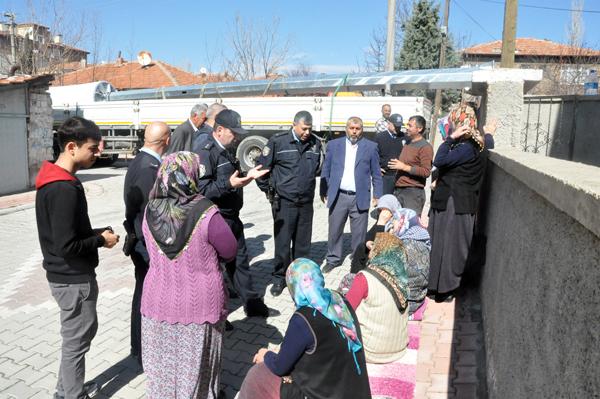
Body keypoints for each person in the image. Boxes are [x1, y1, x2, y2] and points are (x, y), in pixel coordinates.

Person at [35, 116, 119, 399]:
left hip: (67, 276)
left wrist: (94, 232)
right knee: (76, 341)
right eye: (93, 149)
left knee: (77, 337)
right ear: (72, 147)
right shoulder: (63, 188)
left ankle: (66, 388)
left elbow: (66, 232)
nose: (98, 154)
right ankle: (72, 395)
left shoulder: (55, 179)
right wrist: (100, 241)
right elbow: (67, 245)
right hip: (72, 279)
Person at [140, 152, 237, 398]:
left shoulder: (150, 209)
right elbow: (230, 250)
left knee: (162, 365)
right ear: (190, 176)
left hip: (158, 302)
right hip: (199, 305)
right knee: (197, 367)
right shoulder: (205, 211)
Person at [238, 258, 371, 399]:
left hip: (325, 392)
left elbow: (280, 366)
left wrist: (266, 355)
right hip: (355, 388)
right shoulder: (339, 300)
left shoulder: (303, 319)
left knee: (257, 374)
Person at [197, 109, 271, 317]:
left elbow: (233, 177)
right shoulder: (206, 152)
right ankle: (218, 314)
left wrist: (249, 175)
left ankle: (252, 303)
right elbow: (202, 190)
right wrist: (228, 184)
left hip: (232, 217)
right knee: (215, 269)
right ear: (219, 130)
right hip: (216, 219)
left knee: (240, 261)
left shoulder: (228, 148)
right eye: (233, 132)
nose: (237, 136)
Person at [428, 104, 496, 302]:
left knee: (446, 246)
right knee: (449, 245)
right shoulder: (479, 145)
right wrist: (489, 133)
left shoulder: (465, 148)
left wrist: (451, 138)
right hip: (458, 204)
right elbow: (488, 146)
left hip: (452, 203)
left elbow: (439, 161)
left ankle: (443, 288)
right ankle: (440, 287)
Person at [256, 111, 322, 297]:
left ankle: (300, 278)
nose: (307, 132)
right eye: (304, 128)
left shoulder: (315, 143)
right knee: (283, 243)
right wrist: (270, 191)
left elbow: (316, 169)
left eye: (309, 128)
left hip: (305, 202)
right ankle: (280, 277)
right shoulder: (278, 142)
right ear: (294, 125)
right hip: (284, 202)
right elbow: (261, 170)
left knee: (303, 244)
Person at [123, 121, 171, 364]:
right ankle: (142, 349)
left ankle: (140, 347)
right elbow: (152, 211)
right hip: (145, 244)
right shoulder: (147, 168)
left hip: (142, 241)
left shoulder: (145, 161)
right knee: (145, 296)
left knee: (144, 293)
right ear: (167, 140)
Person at [345, 195, 431, 316]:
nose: (393, 226)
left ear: (402, 222)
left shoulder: (400, 246)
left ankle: (347, 313)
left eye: (395, 221)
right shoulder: (420, 239)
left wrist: (380, 223)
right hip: (416, 298)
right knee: (362, 250)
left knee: (350, 280)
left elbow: (374, 264)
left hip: (400, 304)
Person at [320, 116, 382, 273]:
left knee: (359, 233)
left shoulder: (371, 147)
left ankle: (357, 261)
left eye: (358, 129)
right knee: (334, 230)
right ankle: (333, 259)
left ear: (362, 130)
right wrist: (323, 190)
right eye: (352, 128)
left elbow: (376, 173)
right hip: (338, 196)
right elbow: (325, 169)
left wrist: (378, 194)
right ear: (346, 128)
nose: (354, 132)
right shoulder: (334, 145)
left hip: (359, 196)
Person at [345, 233, 409, 363]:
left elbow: (346, 310)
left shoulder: (364, 278)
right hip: (399, 347)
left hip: (372, 351)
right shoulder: (401, 277)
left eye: (375, 245)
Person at [387, 115, 433, 215]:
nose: (406, 127)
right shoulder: (408, 142)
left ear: (419, 129)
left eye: (410, 125)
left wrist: (404, 167)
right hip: (399, 190)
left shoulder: (425, 147)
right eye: (407, 124)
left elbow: (426, 172)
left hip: (413, 194)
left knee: (409, 227)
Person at [374, 113, 405, 195]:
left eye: (399, 126)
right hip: (385, 177)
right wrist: (376, 168)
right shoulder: (380, 137)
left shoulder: (405, 137)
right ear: (389, 123)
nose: (397, 128)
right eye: (395, 126)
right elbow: (373, 156)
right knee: (385, 202)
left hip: (400, 176)